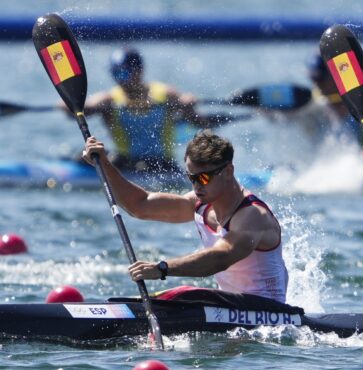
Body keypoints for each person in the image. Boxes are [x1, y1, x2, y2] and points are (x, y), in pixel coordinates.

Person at [82, 129, 289, 303]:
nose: (197, 185)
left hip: (268, 311)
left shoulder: (253, 215)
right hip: (229, 305)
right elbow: (140, 205)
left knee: (185, 294)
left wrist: (162, 268)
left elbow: (221, 257)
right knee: (181, 296)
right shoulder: (199, 204)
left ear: (228, 171)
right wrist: (105, 165)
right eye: (191, 177)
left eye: (204, 177)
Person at [76, 47, 239, 172]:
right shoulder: (110, 99)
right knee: (83, 155)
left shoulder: (165, 94)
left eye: (124, 73)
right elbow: (80, 110)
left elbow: (198, 122)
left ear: (139, 71)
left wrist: (188, 106)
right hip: (124, 162)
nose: (120, 79)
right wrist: (71, 104)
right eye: (115, 74)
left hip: (162, 164)